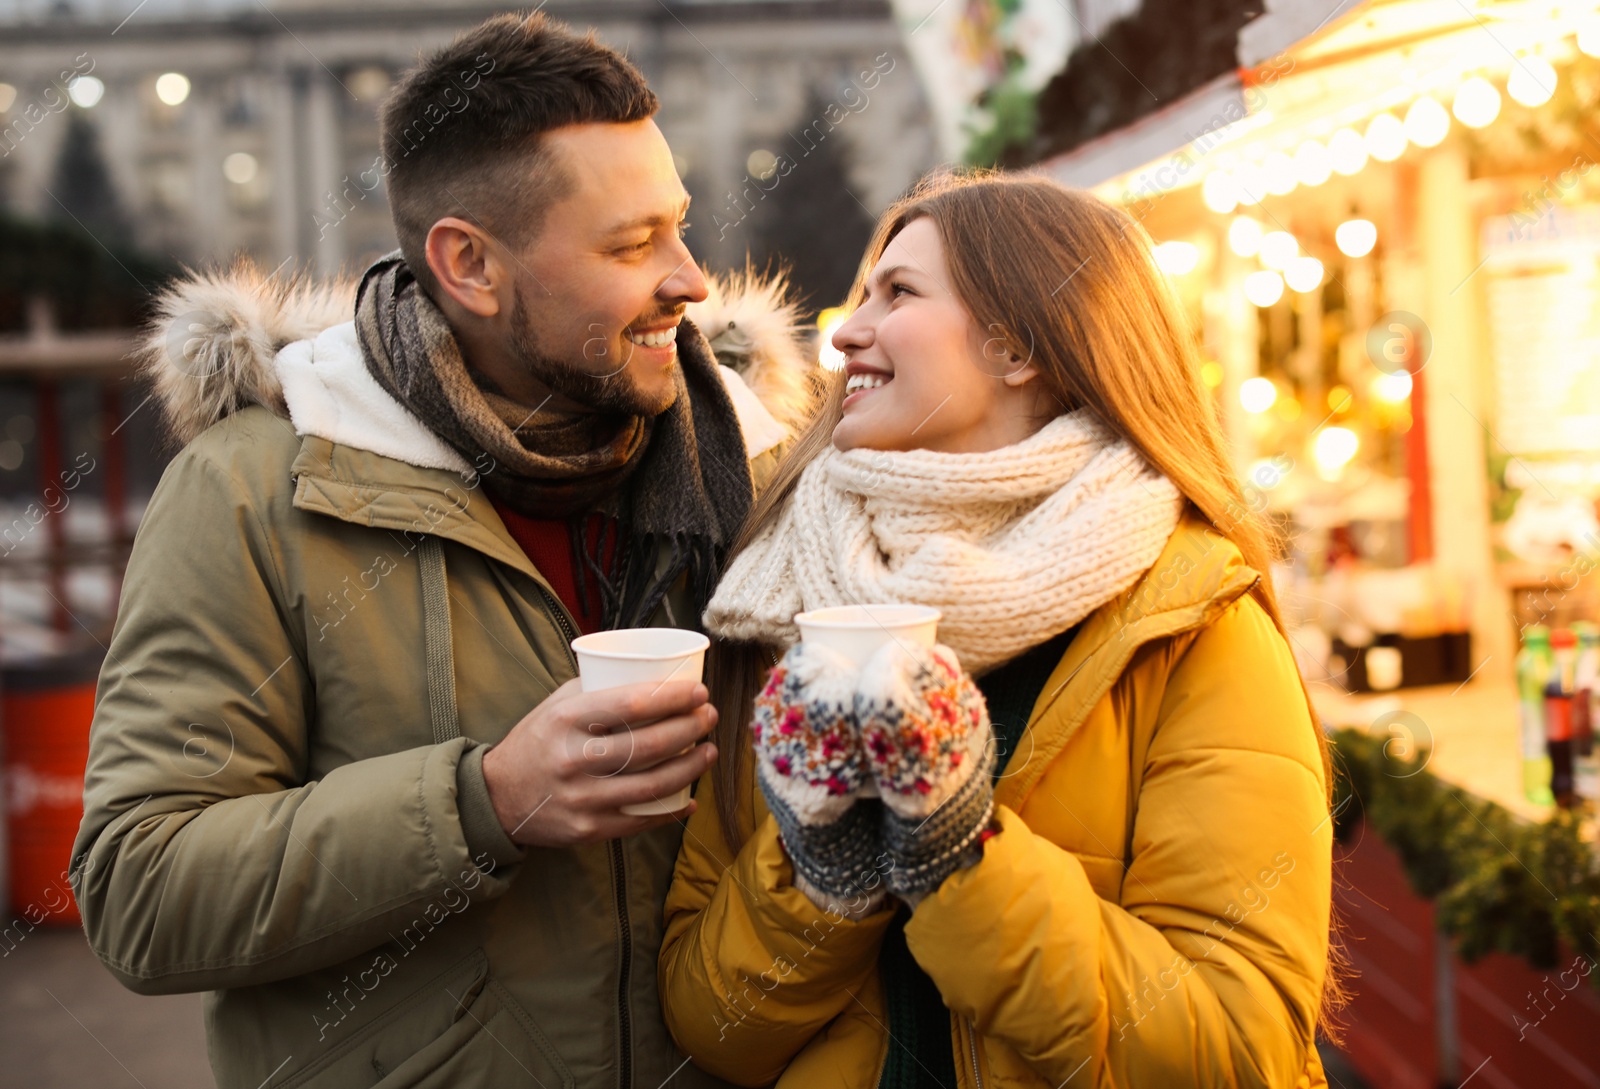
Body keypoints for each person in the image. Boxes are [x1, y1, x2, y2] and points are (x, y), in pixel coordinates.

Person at [69, 13, 812, 1088]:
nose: (692, 279)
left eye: (678, 226)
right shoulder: (256, 488)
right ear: (469, 265)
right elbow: (140, 893)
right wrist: (486, 804)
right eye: (627, 244)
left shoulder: (758, 465)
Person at [659, 170, 1338, 1088]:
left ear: (1018, 345)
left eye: (897, 293)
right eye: (862, 294)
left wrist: (957, 850)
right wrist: (817, 869)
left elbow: (1236, 1047)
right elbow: (712, 1026)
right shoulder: (777, 600)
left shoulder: (1188, 620)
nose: (848, 329)